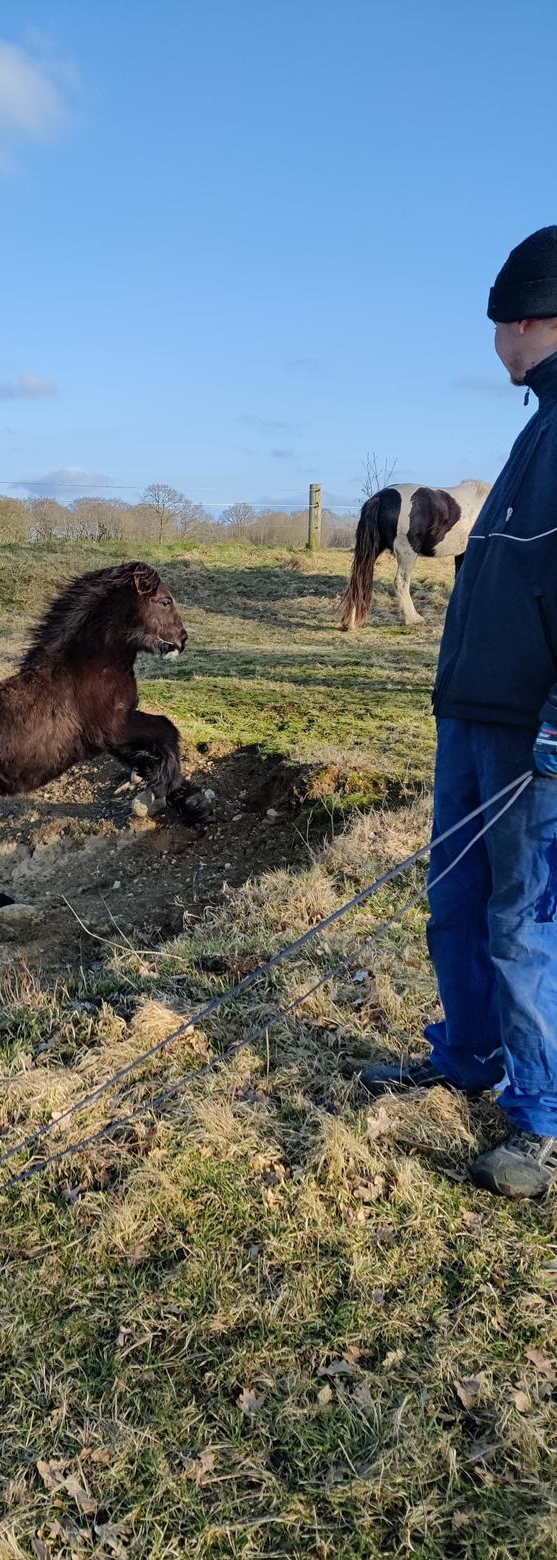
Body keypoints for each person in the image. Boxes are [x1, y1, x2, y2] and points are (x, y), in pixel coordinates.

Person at [359, 225, 557, 1198]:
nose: (493, 343)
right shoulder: (536, 427)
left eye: (497, 322)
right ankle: (470, 1055)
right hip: (470, 721)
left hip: (533, 739)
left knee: (526, 923)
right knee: (457, 905)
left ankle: (543, 1119)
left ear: (525, 316)